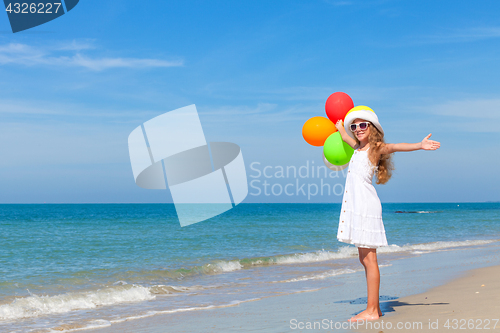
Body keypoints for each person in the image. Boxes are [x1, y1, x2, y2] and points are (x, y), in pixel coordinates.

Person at [334, 107, 440, 322]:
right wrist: (340, 128)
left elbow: (396, 146)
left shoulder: (376, 148)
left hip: (365, 206)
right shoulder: (357, 146)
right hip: (358, 205)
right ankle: (375, 308)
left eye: (362, 125)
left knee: (370, 259)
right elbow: (346, 138)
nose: (357, 129)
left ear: (371, 128)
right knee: (364, 259)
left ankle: (372, 311)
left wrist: (419, 145)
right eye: (354, 126)